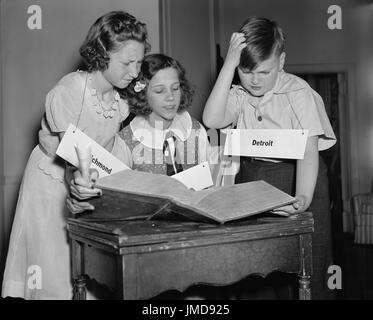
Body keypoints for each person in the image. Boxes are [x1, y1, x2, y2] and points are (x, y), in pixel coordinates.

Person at [2, 11, 150, 300]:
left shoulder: (119, 101)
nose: (134, 72)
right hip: (52, 182)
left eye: (140, 62)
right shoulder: (70, 91)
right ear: (103, 53)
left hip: (87, 179)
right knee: (55, 273)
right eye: (127, 63)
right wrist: (79, 187)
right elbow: (72, 161)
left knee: (87, 274)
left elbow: (103, 152)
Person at [202, 17, 336, 299]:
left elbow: (309, 150)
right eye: (246, 71)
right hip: (255, 177)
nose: (254, 80)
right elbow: (212, 118)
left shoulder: (299, 93)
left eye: (264, 71)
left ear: (282, 61)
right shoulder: (239, 94)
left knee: (307, 265)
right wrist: (229, 64)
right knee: (259, 266)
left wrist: (302, 197)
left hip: (299, 178)